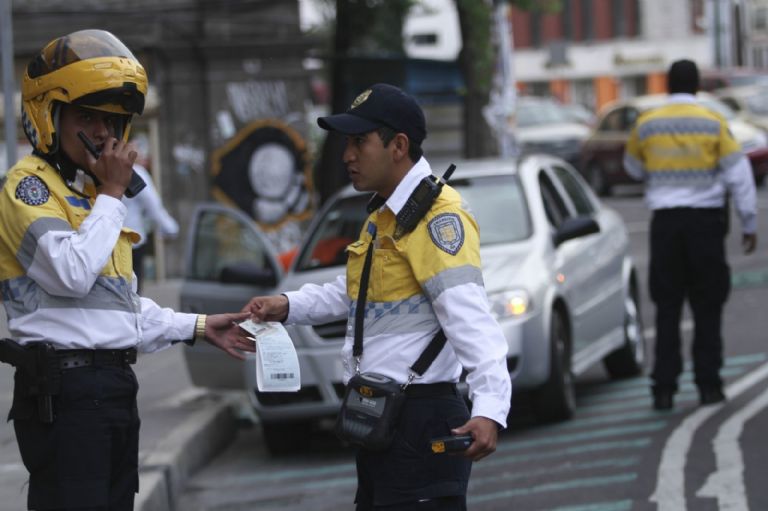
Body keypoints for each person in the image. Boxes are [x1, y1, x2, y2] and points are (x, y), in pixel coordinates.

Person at [0, 29, 254, 510]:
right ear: (48, 115)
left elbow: (117, 312)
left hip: (113, 388)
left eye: (112, 121)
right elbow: (71, 274)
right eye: (86, 117)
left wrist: (199, 327)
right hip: (66, 395)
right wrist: (114, 196)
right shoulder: (28, 188)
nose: (102, 133)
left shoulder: (93, 198)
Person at [243, 83, 511, 510]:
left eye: (359, 142)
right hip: (382, 416)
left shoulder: (436, 218)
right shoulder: (384, 215)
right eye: (347, 142)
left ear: (398, 146)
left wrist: (490, 407)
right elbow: (357, 292)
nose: (347, 155)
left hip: (421, 418)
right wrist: (288, 305)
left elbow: (470, 317)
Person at [623, 59, 758, 411]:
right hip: (705, 227)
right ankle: (709, 385)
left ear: (667, 85)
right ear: (698, 86)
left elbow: (632, 167)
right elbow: (738, 175)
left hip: (665, 226)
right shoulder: (713, 123)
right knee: (707, 306)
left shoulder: (647, 123)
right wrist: (749, 223)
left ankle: (663, 389)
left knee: (667, 308)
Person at [122, 158, 179, 292]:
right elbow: (152, 204)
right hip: (132, 241)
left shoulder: (95, 168)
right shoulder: (136, 172)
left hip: (107, 241)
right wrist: (170, 229)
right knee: (132, 294)